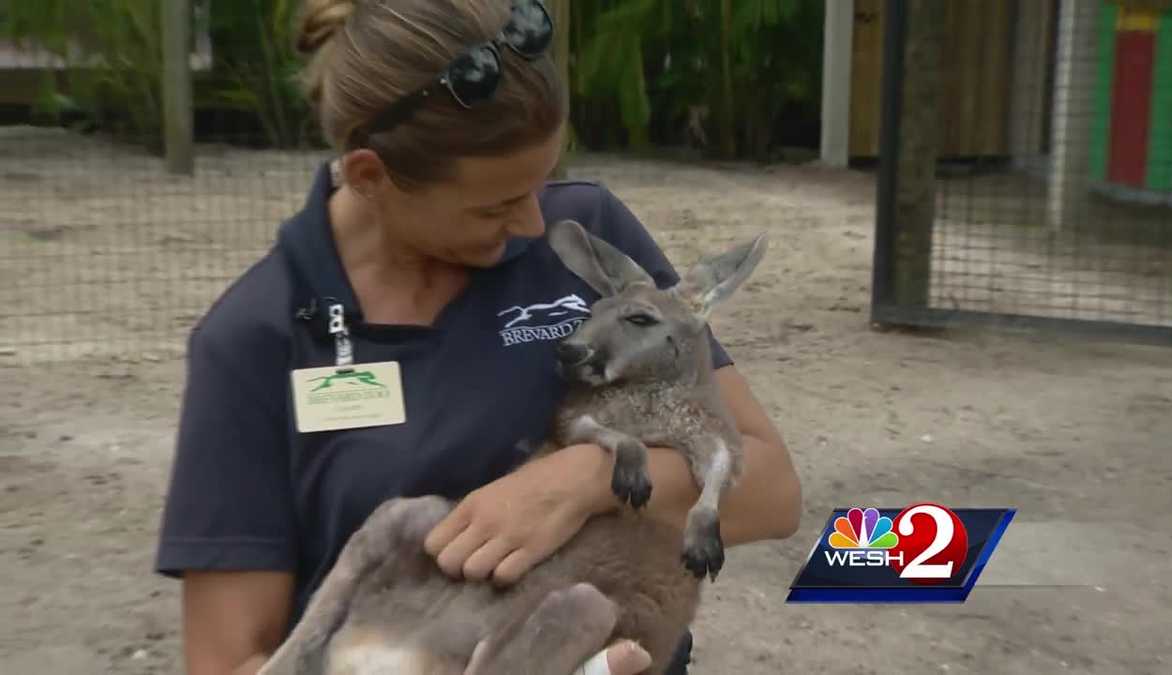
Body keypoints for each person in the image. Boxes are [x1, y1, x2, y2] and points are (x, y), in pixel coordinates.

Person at [152, 1, 804, 673]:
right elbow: (228, 660)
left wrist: (584, 481)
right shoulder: (254, 338)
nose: (533, 226)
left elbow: (771, 489)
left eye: (540, 185)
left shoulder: (587, 242)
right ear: (371, 176)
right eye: (495, 206)